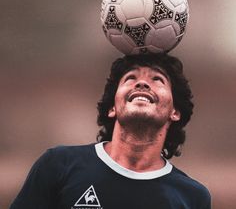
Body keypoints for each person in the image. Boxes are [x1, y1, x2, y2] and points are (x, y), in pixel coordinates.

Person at [10, 52, 211, 208]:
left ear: (175, 111)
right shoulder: (58, 165)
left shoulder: (192, 197)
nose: (142, 83)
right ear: (112, 108)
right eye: (130, 78)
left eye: (157, 79)